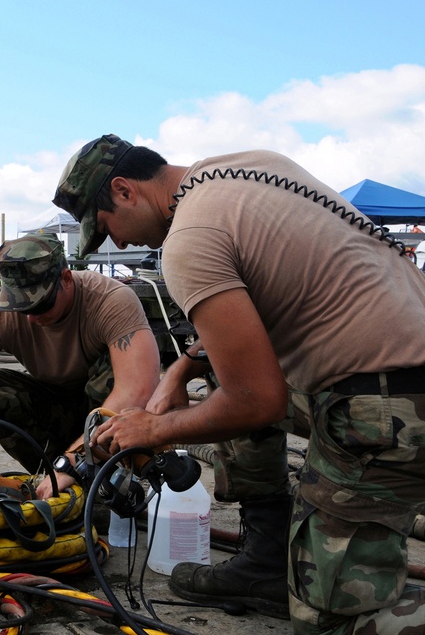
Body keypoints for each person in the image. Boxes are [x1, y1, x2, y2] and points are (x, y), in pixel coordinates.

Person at [53, 134, 425, 634]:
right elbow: (259, 320)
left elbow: (258, 400)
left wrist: (153, 431)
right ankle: (270, 563)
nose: (119, 243)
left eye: (107, 228)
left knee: (332, 620)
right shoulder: (247, 167)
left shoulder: (187, 241)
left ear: (123, 191)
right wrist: (183, 370)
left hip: (385, 409)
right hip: (391, 381)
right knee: (220, 389)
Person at [0, 232, 161, 501]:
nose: (32, 318)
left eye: (41, 305)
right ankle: (49, 474)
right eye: (22, 308)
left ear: (66, 279)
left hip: (104, 415)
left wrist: (74, 461)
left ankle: (100, 472)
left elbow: (138, 389)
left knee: (112, 370)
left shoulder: (111, 300)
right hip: (53, 413)